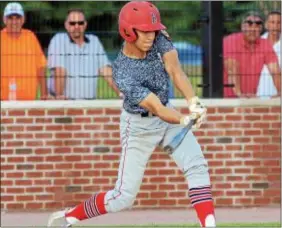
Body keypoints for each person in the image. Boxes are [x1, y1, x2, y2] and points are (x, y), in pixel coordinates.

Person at [47, 1, 215, 227]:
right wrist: (185, 119)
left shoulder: (158, 39)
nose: (150, 36)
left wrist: (193, 102)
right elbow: (156, 108)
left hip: (168, 115)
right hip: (138, 127)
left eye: (153, 30)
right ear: (128, 31)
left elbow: (175, 70)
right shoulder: (122, 71)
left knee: (197, 166)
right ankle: (69, 217)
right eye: (144, 31)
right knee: (123, 197)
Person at [47, 9, 120, 100]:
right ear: (66, 25)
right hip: (66, 101)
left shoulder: (94, 41)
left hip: (89, 103)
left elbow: (106, 70)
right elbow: (59, 71)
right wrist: (59, 96)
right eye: (72, 23)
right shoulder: (58, 40)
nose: (76, 26)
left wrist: (122, 94)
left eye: (80, 23)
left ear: (85, 24)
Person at [223, 11, 281, 98]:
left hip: (250, 96)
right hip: (227, 98)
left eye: (257, 26)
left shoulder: (265, 44)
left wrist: (280, 92)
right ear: (242, 27)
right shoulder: (230, 41)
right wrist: (239, 94)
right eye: (249, 24)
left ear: (261, 29)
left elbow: (275, 71)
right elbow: (232, 68)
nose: (253, 29)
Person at [1, 2, 49, 100]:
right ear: (4, 20)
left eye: (17, 18)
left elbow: (41, 67)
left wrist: (44, 94)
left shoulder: (30, 37)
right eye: (10, 18)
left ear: (23, 20)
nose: (14, 22)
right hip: (3, 103)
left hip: (28, 103)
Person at [257, 11, 281, 98]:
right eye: (272, 22)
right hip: (259, 94)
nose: (275, 26)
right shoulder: (257, 42)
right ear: (266, 25)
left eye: (279, 22)